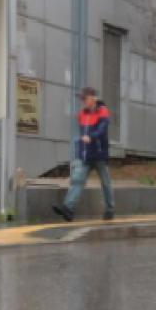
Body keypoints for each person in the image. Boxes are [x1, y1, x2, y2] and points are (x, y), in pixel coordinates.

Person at [53, 86, 114, 222]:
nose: (83, 101)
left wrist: (91, 137)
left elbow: (102, 129)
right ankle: (68, 209)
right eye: (82, 99)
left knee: (105, 183)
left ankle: (109, 209)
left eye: (84, 98)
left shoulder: (103, 111)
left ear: (93, 97)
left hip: (99, 155)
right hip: (85, 155)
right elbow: (82, 133)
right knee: (77, 180)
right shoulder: (82, 114)